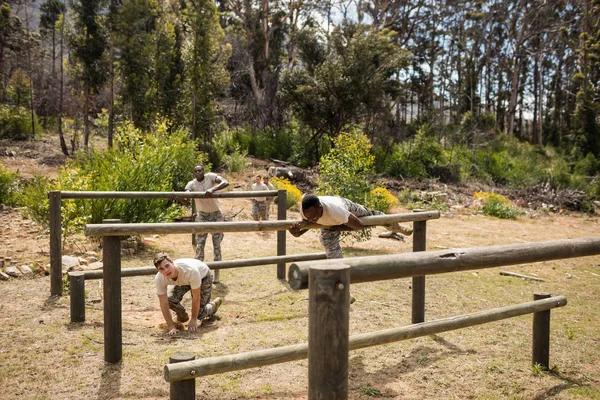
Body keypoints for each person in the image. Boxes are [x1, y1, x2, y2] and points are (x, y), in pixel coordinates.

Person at [289, 194, 411, 259]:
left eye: (314, 216)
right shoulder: (306, 212)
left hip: (345, 208)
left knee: (373, 216)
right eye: (308, 217)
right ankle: (344, 291)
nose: (312, 220)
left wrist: (335, 227)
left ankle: (396, 227)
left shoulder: (336, 210)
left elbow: (360, 226)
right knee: (332, 253)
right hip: (330, 224)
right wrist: (298, 233)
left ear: (320, 207)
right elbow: (309, 224)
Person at [153, 252, 222, 336]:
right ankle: (183, 317)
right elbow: (163, 303)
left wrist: (193, 319)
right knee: (170, 300)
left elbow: (196, 297)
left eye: (167, 266)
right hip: (184, 281)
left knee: (200, 314)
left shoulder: (190, 271)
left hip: (203, 276)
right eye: (161, 269)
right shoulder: (159, 278)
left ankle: (213, 306)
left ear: (172, 262)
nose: (166, 270)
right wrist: (171, 326)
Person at [185, 164, 229, 283]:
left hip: (216, 214)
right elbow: (186, 192)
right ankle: (197, 273)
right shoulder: (192, 183)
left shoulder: (210, 177)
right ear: (194, 173)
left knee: (217, 246)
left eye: (200, 170)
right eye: (196, 171)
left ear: (204, 171)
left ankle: (217, 274)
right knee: (200, 245)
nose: (198, 172)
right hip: (202, 215)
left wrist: (212, 189)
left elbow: (225, 182)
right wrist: (185, 196)